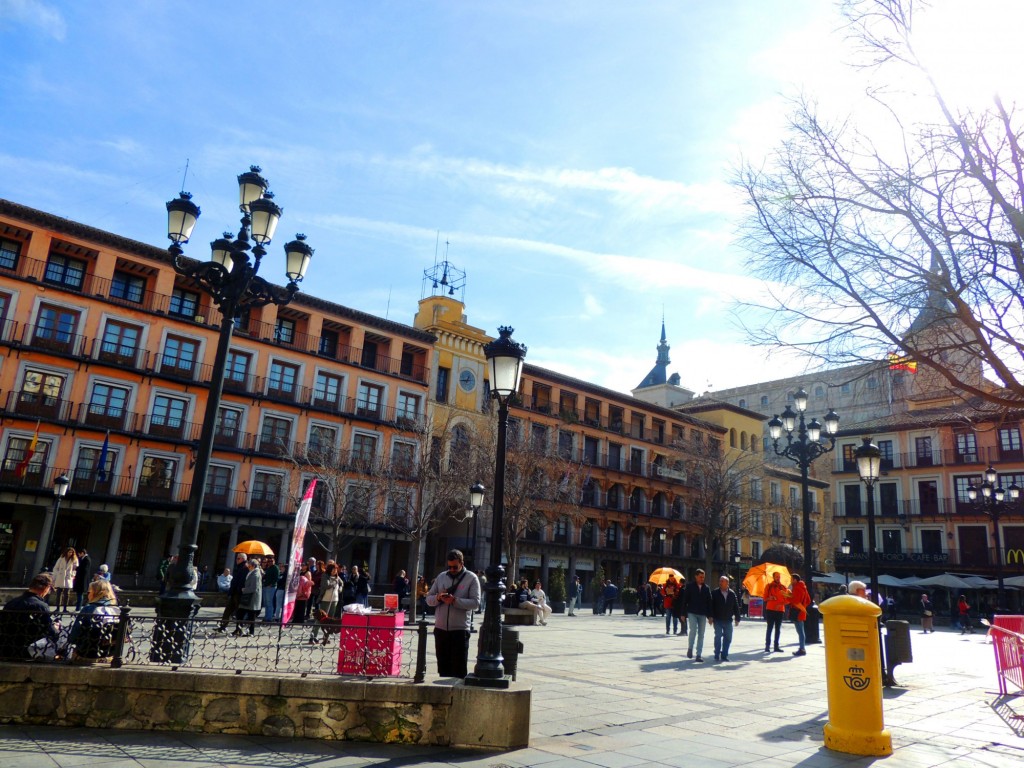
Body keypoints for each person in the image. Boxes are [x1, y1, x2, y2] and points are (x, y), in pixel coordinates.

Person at [425, 549, 481, 678]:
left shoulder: (471, 578)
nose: (451, 569)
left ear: (462, 563)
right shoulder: (441, 577)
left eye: (455, 567)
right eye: (449, 566)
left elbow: (475, 603)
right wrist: (438, 598)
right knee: (443, 668)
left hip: (459, 630)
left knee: (458, 669)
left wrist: (455, 601)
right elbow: (429, 599)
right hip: (440, 629)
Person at [0, 572, 59, 660]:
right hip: (28, 650)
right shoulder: (41, 606)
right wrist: (56, 628)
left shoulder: (12, 603)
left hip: (6, 648)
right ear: (46, 588)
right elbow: (51, 632)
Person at [67, 579, 119, 661]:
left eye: (89, 592)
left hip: (87, 652)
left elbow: (75, 635)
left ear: (95, 593)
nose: (88, 595)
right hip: (110, 653)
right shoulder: (117, 610)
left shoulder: (89, 609)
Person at [681, 568, 712, 662]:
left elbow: (709, 602)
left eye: (703, 577)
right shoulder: (690, 586)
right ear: (696, 576)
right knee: (693, 630)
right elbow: (684, 600)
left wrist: (710, 616)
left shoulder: (706, 588)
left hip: (702, 614)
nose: (702, 579)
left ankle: (698, 654)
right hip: (692, 612)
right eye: (700, 577)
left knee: (701, 634)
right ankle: (690, 648)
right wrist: (683, 614)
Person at [711, 575, 742, 662]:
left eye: (722, 581)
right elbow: (711, 606)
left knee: (728, 638)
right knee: (718, 636)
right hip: (718, 619)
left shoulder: (732, 594)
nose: (720, 583)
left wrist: (737, 618)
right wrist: (711, 617)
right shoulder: (715, 593)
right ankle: (717, 653)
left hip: (728, 620)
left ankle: (724, 655)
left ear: (727, 583)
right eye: (720, 581)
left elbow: (736, 606)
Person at [215, 553, 249, 632]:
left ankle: (238, 629)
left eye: (238, 558)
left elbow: (242, 581)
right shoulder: (240, 567)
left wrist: (238, 589)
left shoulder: (245, 567)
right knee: (228, 610)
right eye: (237, 558)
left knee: (239, 612)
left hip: (238, 593)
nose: (236, 560)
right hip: (234, 592)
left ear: (243, 559)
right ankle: (223, 627)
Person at [310, 562, 342, 644]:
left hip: (334, 599)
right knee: (320, 618)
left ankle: (325, 637)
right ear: (330, 569)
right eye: (333, 569)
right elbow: (326, 585)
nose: (335, 571)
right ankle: (313, 636)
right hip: (325, 599)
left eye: (336, 569)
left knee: (330, 620)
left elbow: (342, 584)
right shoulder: (325, 575)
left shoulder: (337, 577)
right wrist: (334, 583)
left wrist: (340, 589)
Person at [233, 558, 263, 636]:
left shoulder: (255, 574)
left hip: (251, 598)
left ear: (253, 566)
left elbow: (253, 588)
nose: (248, 567)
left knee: (249, 616)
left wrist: (244, 590)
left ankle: (250, 632)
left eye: (249, 565)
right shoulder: (252, 572)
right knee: (242, 614)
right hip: (248, 598)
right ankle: (240, 630)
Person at [763, 571, 791, 653]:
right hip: (770, 609)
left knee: (778, 629)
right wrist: (770, 598)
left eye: (779, 576)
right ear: (773, 577)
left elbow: (788, 600)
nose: (778, 578)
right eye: (776, 576)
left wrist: (781, 604)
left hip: (780, 610)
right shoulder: (768, 586)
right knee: (770, 628)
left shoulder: (783, 587)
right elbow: (764, 598)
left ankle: (776, 646)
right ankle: (767, 646)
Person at [789, 573, 811, 656]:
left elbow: (795, 601)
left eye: (791, 579)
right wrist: (803, 606)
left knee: (800, 631)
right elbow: (808, 600)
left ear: (795, 580)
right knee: (801, 631)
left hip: (797, 612)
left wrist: (788, 596)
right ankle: (802, 648)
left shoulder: (797, 588)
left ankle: (802, 649)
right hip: (801, 611)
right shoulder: (803, 587)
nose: (790, 581)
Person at [52, 547, 78, 613]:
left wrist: (72, 574)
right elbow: (55, 568)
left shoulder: (74, 560)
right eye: (69, 552)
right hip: (60, 577)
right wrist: (58, 574)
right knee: (58, 594)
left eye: (72, 552)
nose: (70, 553)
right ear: (66, 552)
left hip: (68, 578)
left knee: (67, 594)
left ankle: (65, 608)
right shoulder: (61, 559)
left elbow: (76, 569)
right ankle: (57, 608)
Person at [261, 555, 279, 622]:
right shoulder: (269, 568)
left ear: (274, 561)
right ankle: (266, 616)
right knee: (266, 603)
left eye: (272, 561)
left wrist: (271, 584)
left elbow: (276, 578)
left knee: (269, 602)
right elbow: (265, 577)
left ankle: (269, 617)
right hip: (266, 586)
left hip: (271, 587)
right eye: (269, 561)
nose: (270, 562)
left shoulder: (275, 568)